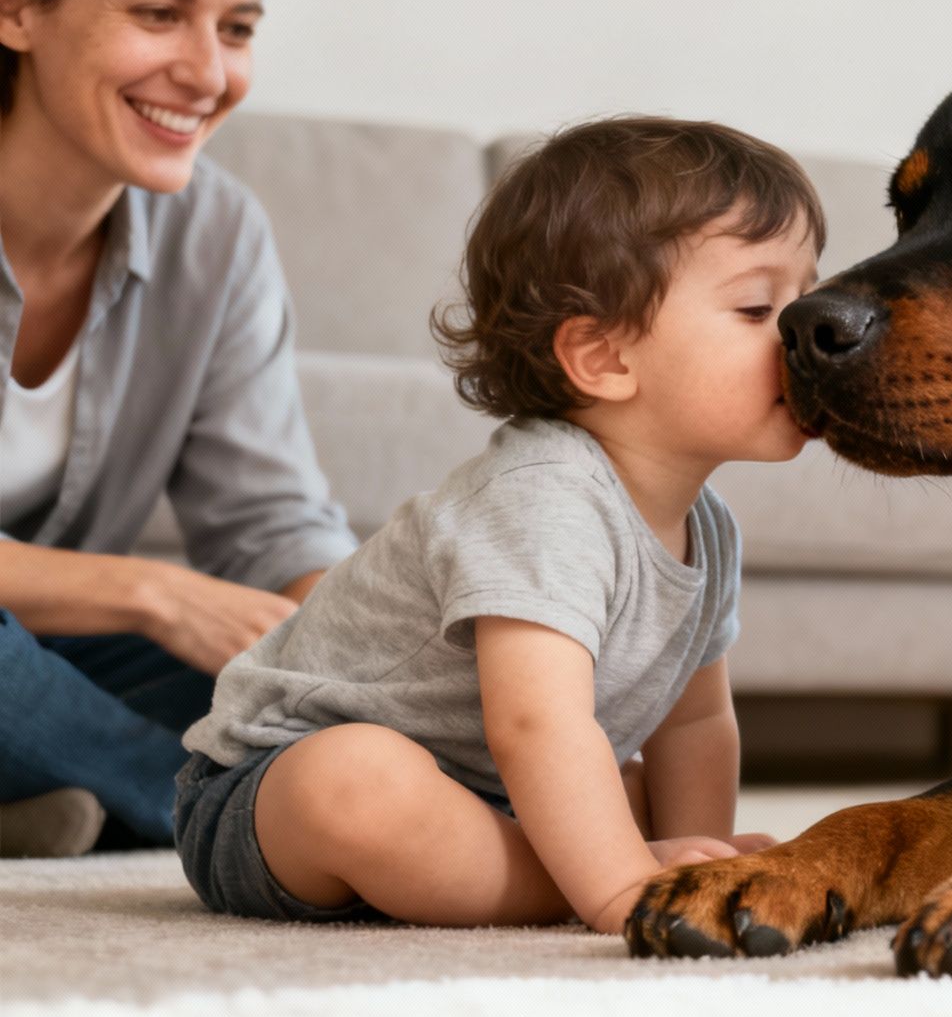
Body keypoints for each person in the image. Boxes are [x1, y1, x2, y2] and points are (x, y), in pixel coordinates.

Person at [175, 117, 821, 933]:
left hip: (484, 789)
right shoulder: (544, 496)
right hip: (267, 793)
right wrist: (627, 885)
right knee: (361, 780)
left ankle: (552, 860)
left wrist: (697, 848)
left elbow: (694, 721)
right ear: (603, 358)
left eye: (810, 294)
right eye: (760, 307)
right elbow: (533, 723)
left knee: (605, 780)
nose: (806, 331)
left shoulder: (708, 524)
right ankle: (571, 880)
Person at [0, 0, 354, 857]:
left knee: (247, 678)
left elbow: (269, 522)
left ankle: (78, 795)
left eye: (235, 28)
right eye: (158, 14)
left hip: (51, 664)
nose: (206, 72)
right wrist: (151, 591)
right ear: (14, 7)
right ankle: (241, 815)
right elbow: (158, 598)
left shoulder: (217, 231)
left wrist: (367, 662)